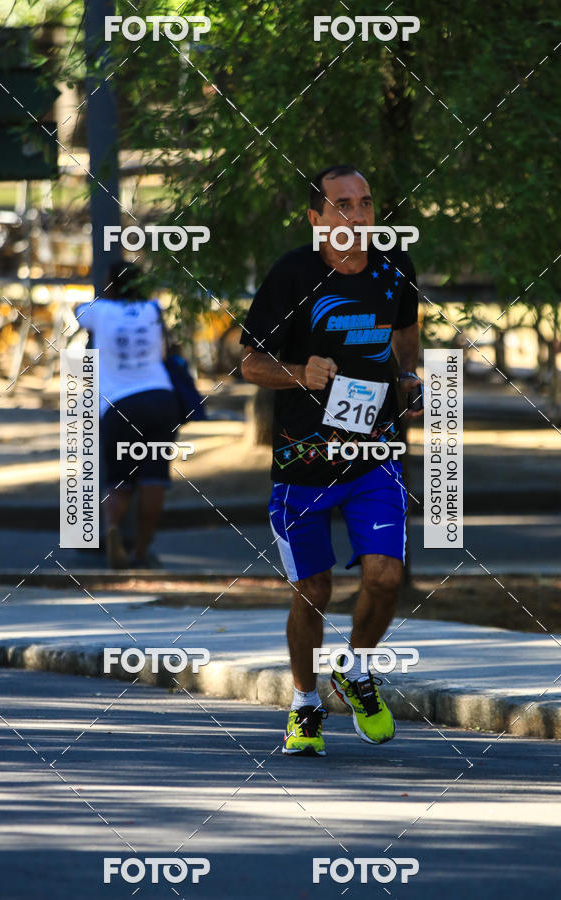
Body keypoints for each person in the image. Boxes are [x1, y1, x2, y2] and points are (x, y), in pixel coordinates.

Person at [240, 165, 423, 756]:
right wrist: (301, 372)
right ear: (317, 218)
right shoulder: (292, 275)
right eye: (343, 204)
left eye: (365, 203)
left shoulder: (394, 267)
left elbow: (406, 336)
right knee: (313, 590)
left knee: (386, 578)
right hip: (304, 464)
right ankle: (304, 702)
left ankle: (356, 670)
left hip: (373, 456)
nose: (358, 215)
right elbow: (249, 363)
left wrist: (410, 380)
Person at [75, 262, 180, 569]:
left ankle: (111, 528)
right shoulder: (153, 308)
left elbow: (76, 311)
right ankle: (141, 552)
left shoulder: (98, 311)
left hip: (119, 405)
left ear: (110, 286)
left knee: (119, 480)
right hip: (161, 398)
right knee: (154, 478)